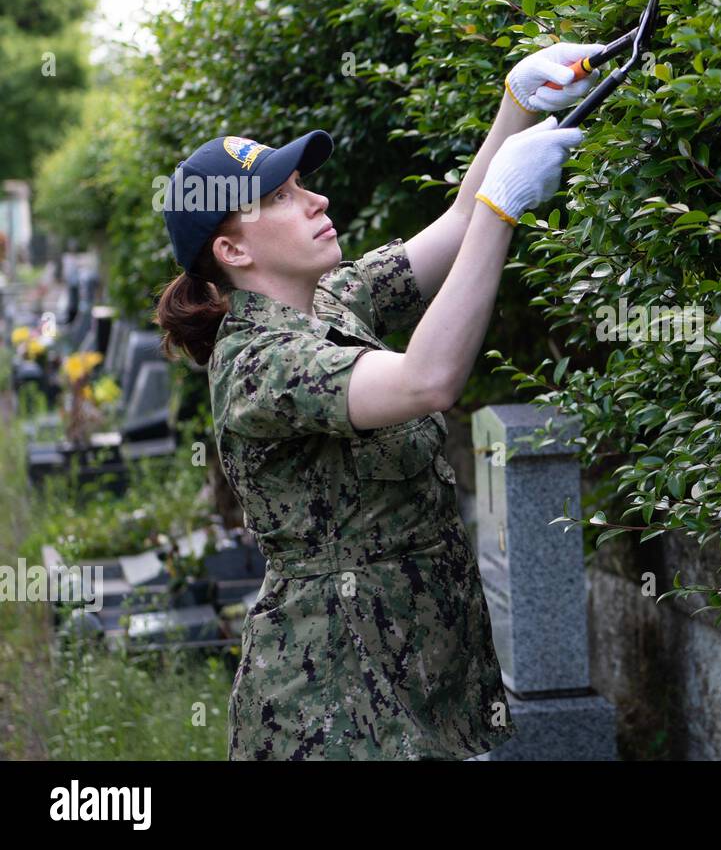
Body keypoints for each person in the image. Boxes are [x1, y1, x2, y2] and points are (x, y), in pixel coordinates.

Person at [153, 41, 604, 760]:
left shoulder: (328, 301)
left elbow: (458, 227)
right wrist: (503, 207)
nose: (316, 200)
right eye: (280, 197)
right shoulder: (259, 364)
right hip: (337, 714)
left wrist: (516, 104)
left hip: (418, 682)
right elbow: (427, 379)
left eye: (301, 183)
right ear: (232, 252)